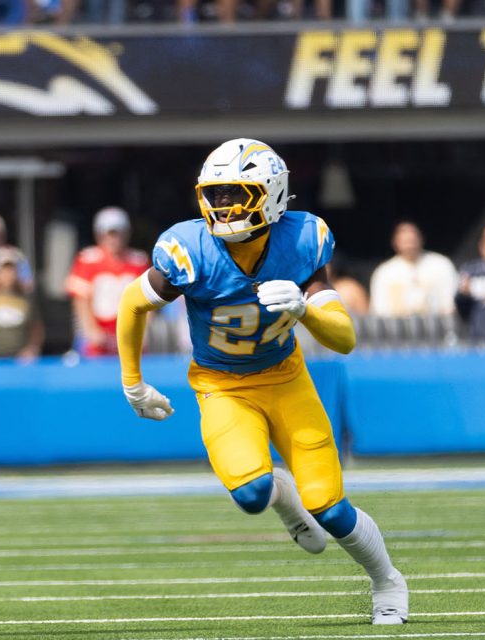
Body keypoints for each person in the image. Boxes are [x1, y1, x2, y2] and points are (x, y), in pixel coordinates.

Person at [116, 139, 409, 626]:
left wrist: (305, 310)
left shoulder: (303, 241)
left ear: (271, 194)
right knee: (252, 495)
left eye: (236, 192)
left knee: (332, 509)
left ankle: (387, 581)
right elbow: (133, 303)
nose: (224, 204)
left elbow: (345, 339)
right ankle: (285, 500)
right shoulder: (189, 248)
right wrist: (132, 382)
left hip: (286, 379)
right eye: (217, 193)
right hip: (221, 385)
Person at [65, 206, 150, 357]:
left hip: (130, 334)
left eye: (118, 234)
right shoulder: (88, 260)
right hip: (98, 336)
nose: (114, 239)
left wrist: (143, 330)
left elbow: (149, 300)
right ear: (99, 235)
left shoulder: (138, 261)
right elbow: (80, 300)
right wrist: (91, 330)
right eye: (110, 234)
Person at [369, 220, 457, 319]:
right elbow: (379, 310)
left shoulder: (441, 264)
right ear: (395, 242)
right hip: (396, 330)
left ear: (421, 239)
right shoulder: (384, 272)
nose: (410, 245)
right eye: (405, 241)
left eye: (412, 240)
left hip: (435, 328)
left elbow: (450, 305)